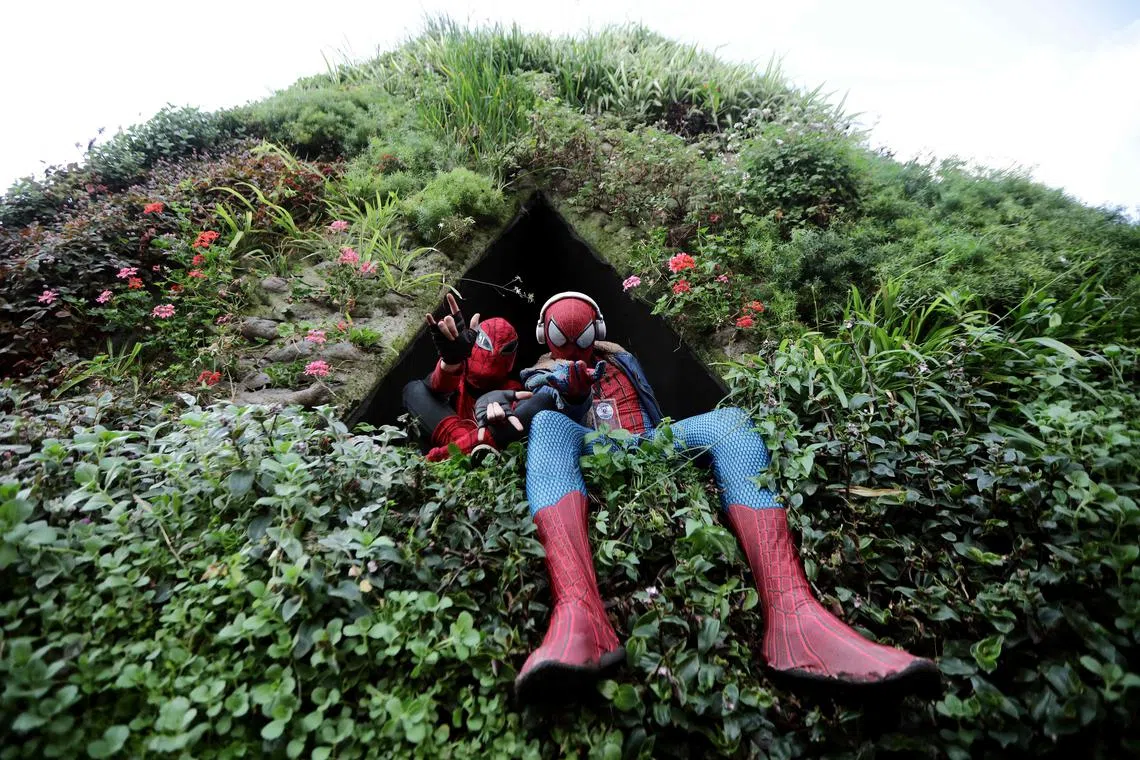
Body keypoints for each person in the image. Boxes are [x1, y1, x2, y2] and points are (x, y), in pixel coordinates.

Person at [494, 291, 940, 704]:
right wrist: (571, 398)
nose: (573, 341)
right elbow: (547, 409)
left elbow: (649, 406)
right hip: (598, 446)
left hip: (650, 439)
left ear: (601, 329)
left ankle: (794, 614)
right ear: (543, 335)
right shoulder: (538, 373)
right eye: (560, 333)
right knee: (547, 428)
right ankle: (579, 612)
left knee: (729, 421)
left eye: (584, 331)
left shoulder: (624, 361)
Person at [402, 293, 530, 462]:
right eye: (485, 344)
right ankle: (467, 448)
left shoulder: (513, 392)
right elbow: (435, 388)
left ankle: (464, 450)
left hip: (479, 454)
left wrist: (430, 461)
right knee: (414, 390)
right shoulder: (461, 371)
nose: (491, 355)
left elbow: (505, 433)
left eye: (502, 350)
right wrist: (451, 362)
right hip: (465, 446)